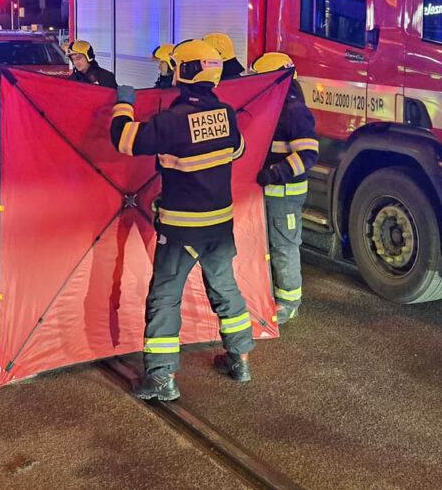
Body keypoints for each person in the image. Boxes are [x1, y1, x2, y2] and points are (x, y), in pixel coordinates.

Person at [110, 39, 253, 401]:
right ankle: (241, 359)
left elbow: (123, 140)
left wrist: (123, 104)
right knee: (226, 291)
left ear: (185, 72)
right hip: (219, 229)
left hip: (180, 231)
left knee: (164, 299)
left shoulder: (171, 122)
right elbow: (237, 149)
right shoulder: (227, 116)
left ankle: (161, 379)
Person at [249, 53, 318, 324]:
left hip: (284, 194)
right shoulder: (275, 105)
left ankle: (289, 303)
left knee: (284, 247)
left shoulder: (294, 111)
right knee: (269, 245)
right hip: (269, 192)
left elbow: (308, 155)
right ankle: (270, 295)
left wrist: (275, 173)